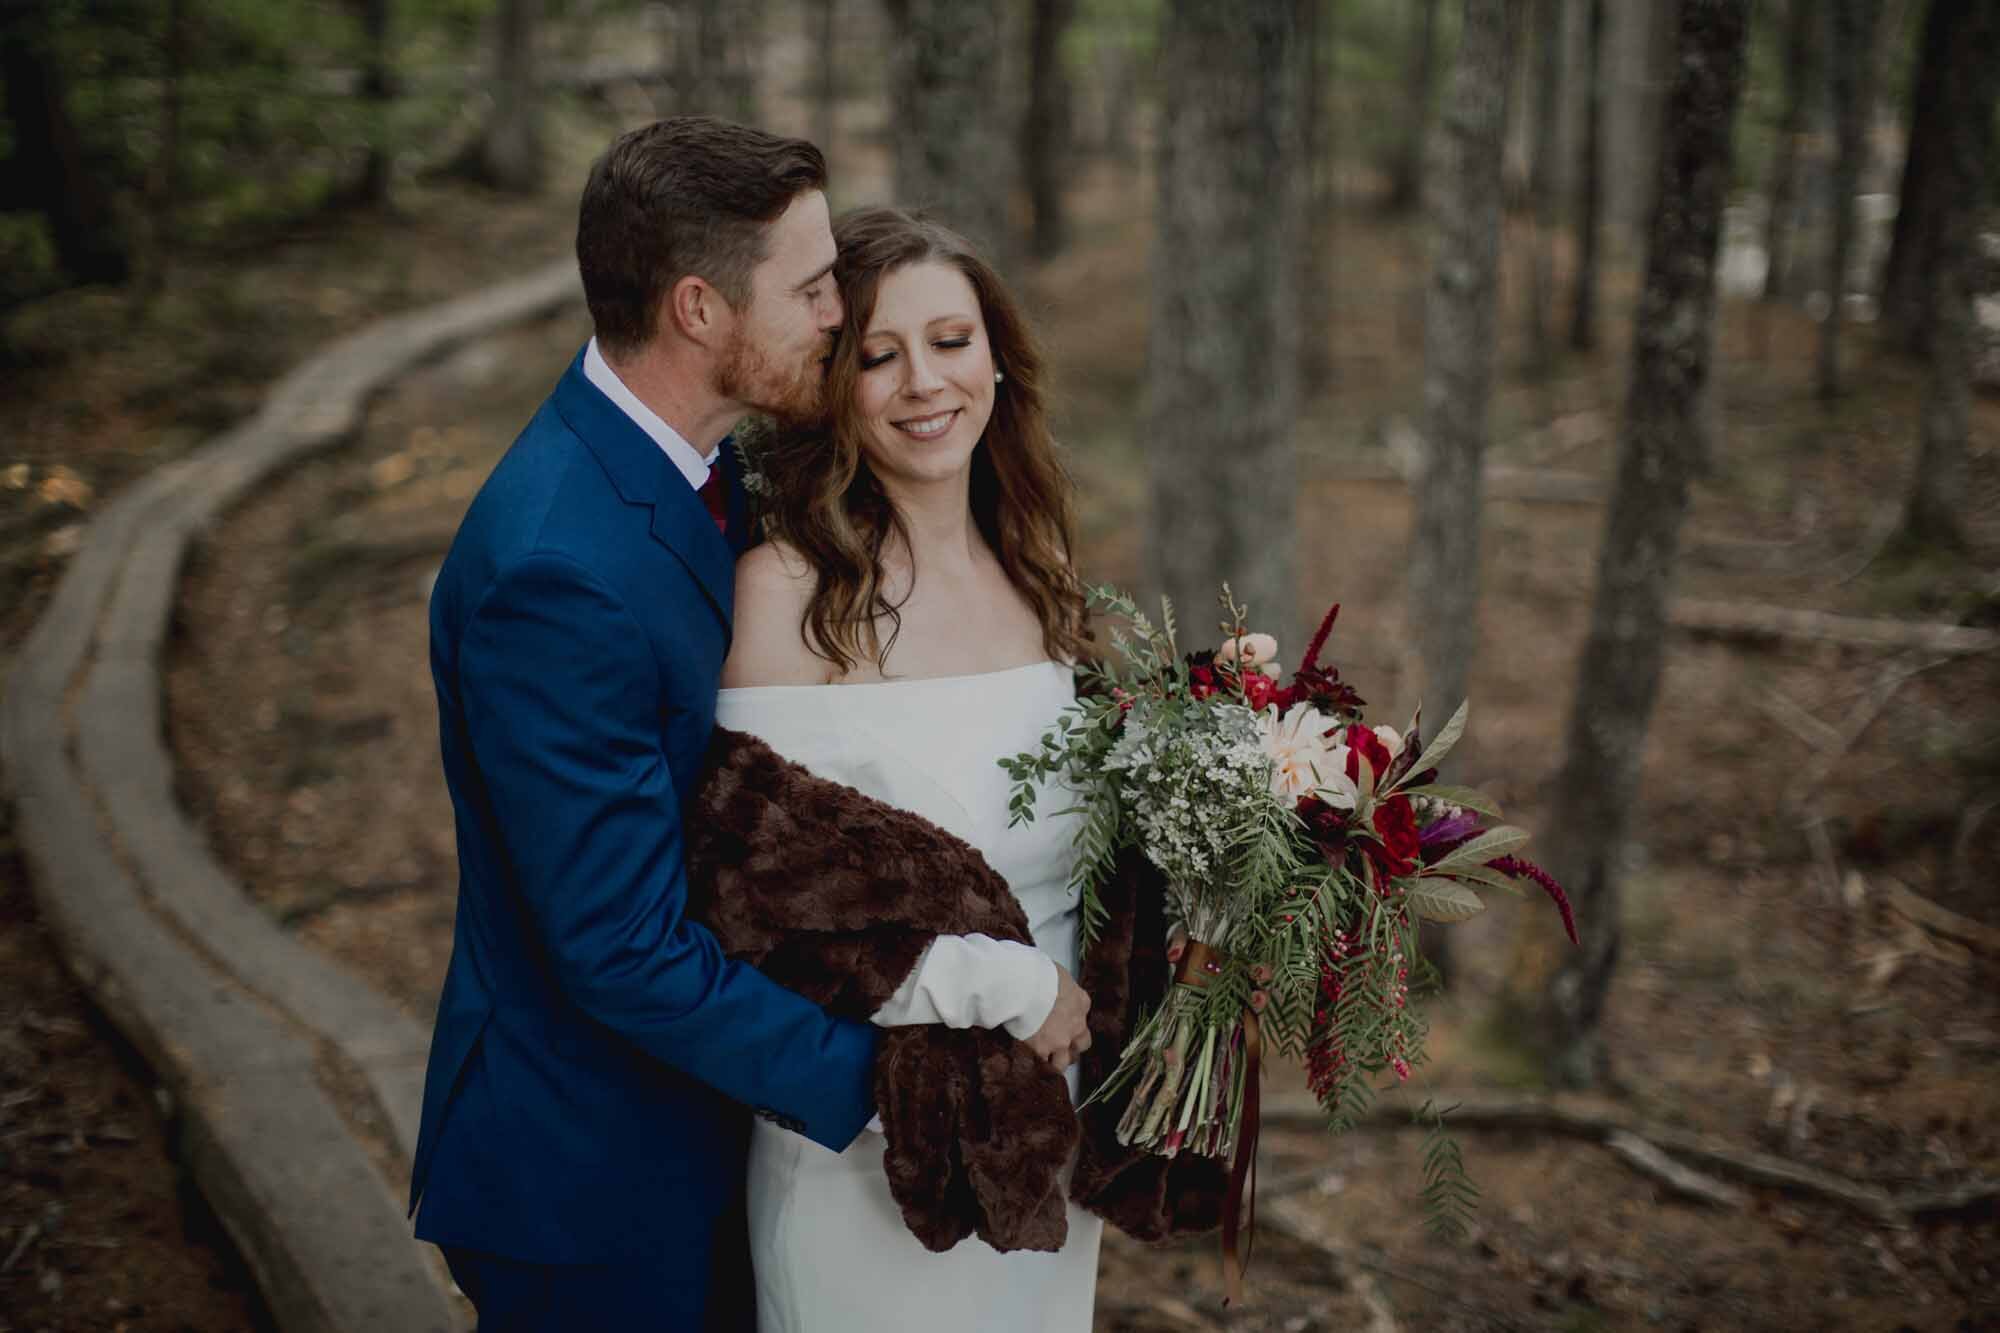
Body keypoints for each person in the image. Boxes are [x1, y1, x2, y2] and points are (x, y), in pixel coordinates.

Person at [407, 120, 1091, 1329]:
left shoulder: (706, 474)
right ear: (697, 309)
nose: (838, 315)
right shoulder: (553, 568)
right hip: (597, 1174)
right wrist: (907, 1085)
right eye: (815, 288)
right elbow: (619, 945)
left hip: (731, 1127)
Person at [715, 206, 1106, 1332]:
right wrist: (995, 987)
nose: (923, 382)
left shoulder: (1039, 568)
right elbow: (752, 908)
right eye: (877, 356)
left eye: (950, 340)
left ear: (997, 355)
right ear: (834, 386)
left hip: (1044, 1129)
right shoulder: (784, 598)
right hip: (872, 1147)